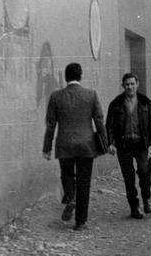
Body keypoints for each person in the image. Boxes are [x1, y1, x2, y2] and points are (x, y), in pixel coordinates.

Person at [42, 63, 106, 231]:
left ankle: (70, 196)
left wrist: (47, 147)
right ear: (81, 76)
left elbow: (50, 125)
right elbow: (99, 120)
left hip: (65, 144)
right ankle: (81, 221)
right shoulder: (91, 95)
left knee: (67, 175)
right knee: (84, 182)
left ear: (66, 77)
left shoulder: (56, 96)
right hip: (86, 145)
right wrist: (104, 143)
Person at [106, 73, 151, 219]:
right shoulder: (115, 103)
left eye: (132, 84)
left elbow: (150, 126)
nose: (130, 87)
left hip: (141, 144)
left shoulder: (145, 102)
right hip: (124, 145)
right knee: (128, 178)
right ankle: (134, 207)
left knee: (144, 172)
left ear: (137, 84)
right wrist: (110, 143)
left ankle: (146, 199)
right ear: (123, 86)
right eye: (127, 84)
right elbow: (109, 126)